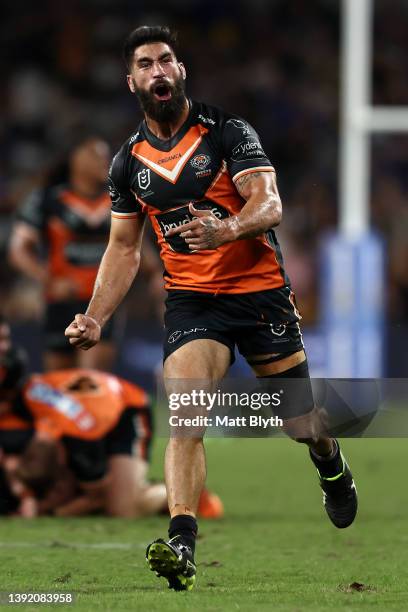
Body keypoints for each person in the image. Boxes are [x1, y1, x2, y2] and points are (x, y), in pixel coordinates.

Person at [65, 26, 358, 592]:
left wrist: (226, 229)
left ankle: (330, 461)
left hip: (259, 291)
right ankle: (182, 541)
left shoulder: (226, 133)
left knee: (300, 422)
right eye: (146, 64)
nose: (159, 70)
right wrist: (96, 315)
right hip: (194, 303)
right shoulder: (128, 164)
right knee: (187, 414)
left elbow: (269, 204)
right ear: (133, 81)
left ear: (181, 71)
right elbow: (124, 249)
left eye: (167, 60)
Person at [8, 134, 116, 371]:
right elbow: (18, 250)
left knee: (90, 384)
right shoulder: (46, 200)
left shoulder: (118, 201)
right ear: (74, 159)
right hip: (60, 304)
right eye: (95, 154)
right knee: (59, 391)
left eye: (105, 155)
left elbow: (135, 250)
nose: (104, 160)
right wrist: (49, 279)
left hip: (101, 305)